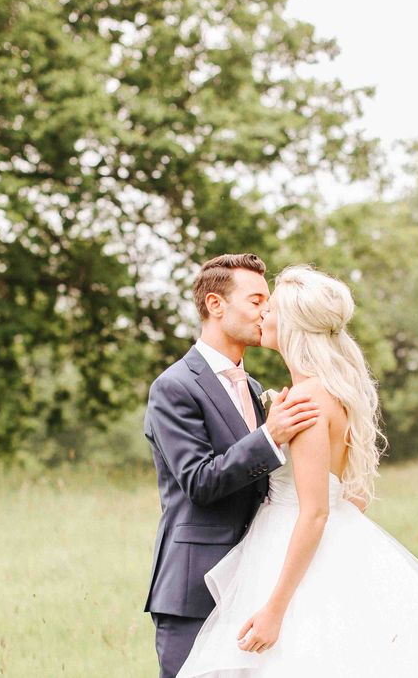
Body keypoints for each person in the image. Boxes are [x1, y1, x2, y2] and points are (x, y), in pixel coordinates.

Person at [177, 265, 418, 677]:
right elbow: (353, 496)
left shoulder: (307, 400)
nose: (263, 315)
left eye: (272, 308)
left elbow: (315, 511)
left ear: (295, 325)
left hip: (292, 547)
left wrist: (275, 609)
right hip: (325, 543)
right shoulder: (330, 390)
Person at [143, 254, 321, 678]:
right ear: (216, 305)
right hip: (194, 587)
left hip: (254, 579)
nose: (266, 311)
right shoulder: (174, 387)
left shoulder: (256, 387)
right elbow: (199, 481)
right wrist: (269, 436)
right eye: (256, 299)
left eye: (268, 302)